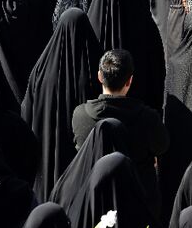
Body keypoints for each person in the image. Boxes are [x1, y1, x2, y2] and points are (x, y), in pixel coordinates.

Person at [71, 49, 170, 200]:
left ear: (99, 76)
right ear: (129, 81)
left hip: (96, 198)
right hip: (139, 199)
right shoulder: (148, 118)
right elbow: (162, 145)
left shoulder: (80, 115)